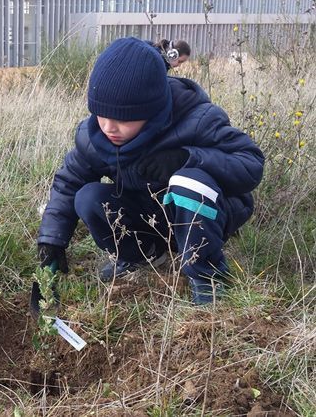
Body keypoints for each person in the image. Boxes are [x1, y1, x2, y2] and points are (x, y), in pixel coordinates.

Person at [34, 37, 264, 307]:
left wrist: (189, 158)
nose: (109, 127)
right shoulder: (93, 137)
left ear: (152, 110)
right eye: (101, 114)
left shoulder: (197, 118)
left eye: (123, 118)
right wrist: (52, 241)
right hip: (149, 215)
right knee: (86, 197)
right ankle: (141, 255)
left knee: (189, 181)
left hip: (203, 213)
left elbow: (250, 163)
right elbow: (68, 183)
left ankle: (208, 276)